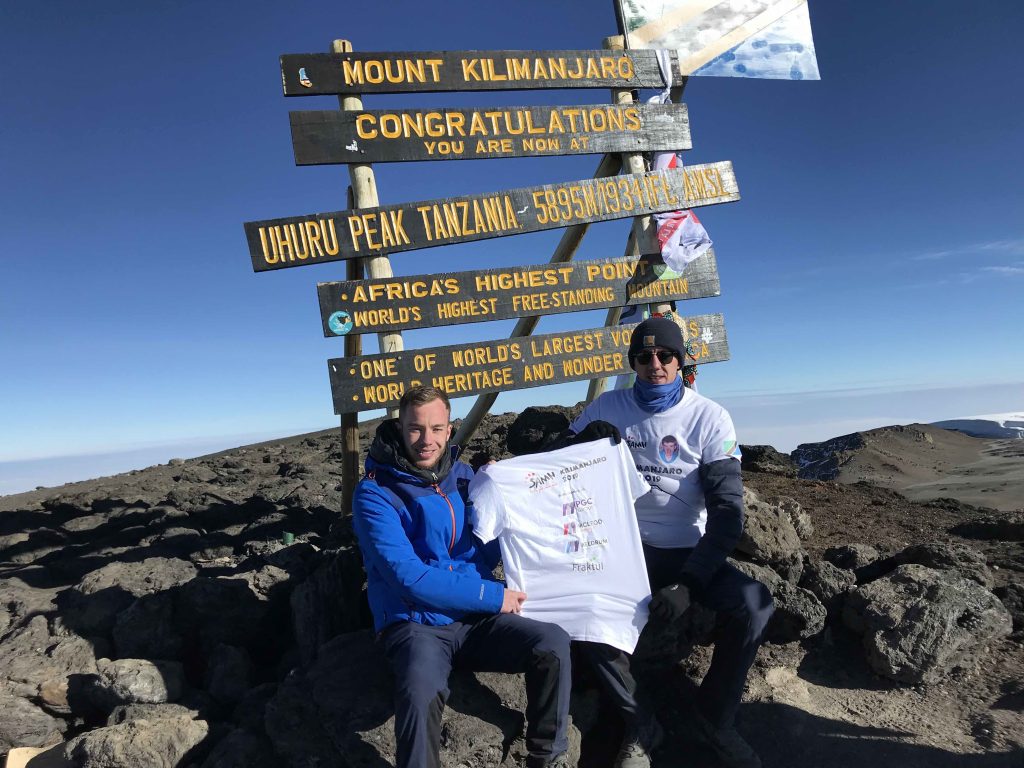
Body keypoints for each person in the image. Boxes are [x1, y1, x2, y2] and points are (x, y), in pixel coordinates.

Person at [569, 317, 775, 768]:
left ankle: (714, 718)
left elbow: (727, 516)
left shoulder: (708, 417)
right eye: (643, 357)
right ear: (633, 363)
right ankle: (637, 727)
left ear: (681, 361)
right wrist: (572, 442)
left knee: (755, 603)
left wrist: (688, 585)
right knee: (586, 613)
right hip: (621, 550)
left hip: (688, 549)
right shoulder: (607, 407)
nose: (654, 365)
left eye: (665, 355)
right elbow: (555, 464)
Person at [351, 385, 572, 768]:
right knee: (420, 691)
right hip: (417, 623)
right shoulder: (374, 494)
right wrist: (493, 597)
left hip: (474, 623)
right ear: (400, 427)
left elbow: (490, 543)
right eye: (416, 429)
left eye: (436, 429)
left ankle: (546, 756)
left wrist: (502, 491)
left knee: (551, 643)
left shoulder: (466, 478)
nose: (426, 440)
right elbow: (408, 577)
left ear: (449, 430)